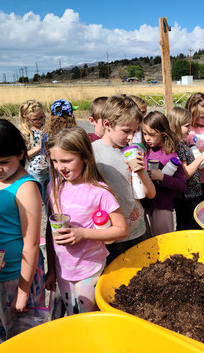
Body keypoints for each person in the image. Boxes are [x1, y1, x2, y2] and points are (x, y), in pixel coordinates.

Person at [0, 119, 45, 345]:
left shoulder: (26, 187)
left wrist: (24, 291)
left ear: (21, 153)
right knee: (3, 334)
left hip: (19, 275)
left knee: (26, 338)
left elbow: (31, 243)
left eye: (3, 162)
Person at [44, 127, 127, 316]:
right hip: (62, 271)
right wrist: (51, 269)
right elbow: (51, 231)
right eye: (55, 161)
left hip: (89, 271)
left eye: (66, 161)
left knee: (88, 318)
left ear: (86, 157)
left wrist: (83, 233)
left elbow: (121, 229)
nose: (59, 167)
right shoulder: (53, 187)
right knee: (71, 317)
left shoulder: (100, 192)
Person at [92, 95, 155, 263]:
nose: (130, 137)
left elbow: (150, 194)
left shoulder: (133, 152)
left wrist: (141, 172)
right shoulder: (93, 154)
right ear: (107, 124)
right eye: (126, 131)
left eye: (134, 132)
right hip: (112, 235)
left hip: (138, 229)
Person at [167, 107, 204, 230]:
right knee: (186, 228)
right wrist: (203, 156)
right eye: (186, 126)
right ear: (176, 126)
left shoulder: (182, 143)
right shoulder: (177, 147)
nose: (190, 129)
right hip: (185, 197)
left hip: (192, 195)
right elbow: (185, 174)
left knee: (193, 225)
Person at [142, 111, 186, 236]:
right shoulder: (145, 151)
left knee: (164, 243)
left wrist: (162, 177)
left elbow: (182, 185)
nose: (147, 138)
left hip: (162, 208)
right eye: (144, 134)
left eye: (152, 134)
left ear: (164, 134)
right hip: (145, 207)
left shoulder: (171, 155)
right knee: (148, 245)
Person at [19, 100, 50, 199]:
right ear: (26, 118)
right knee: (35, 198)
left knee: (49, 199)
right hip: (36, 171)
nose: (40, 120)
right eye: (35, 119)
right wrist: (39, 147)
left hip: (50, 169)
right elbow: (24, 156)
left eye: (42, 117)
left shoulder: (47, 128)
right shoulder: (25, 133)